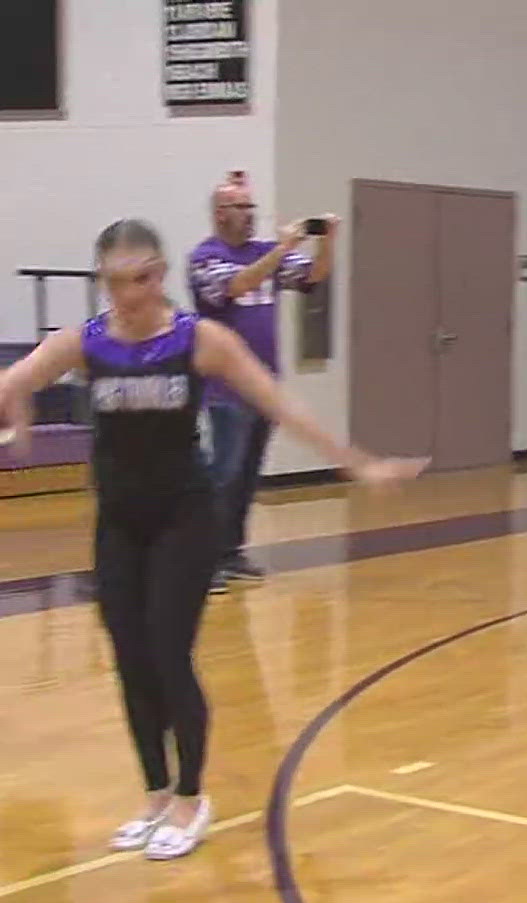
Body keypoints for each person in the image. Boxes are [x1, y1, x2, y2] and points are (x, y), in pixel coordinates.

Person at [0, 219, 423, 861]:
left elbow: (280, 405)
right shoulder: (84, 345)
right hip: (119, 521)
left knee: (170, 653)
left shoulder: (200, 340)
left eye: (142, 279)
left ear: (161, 275)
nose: (131, 295)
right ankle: (153, 795)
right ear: (105, 282)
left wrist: (358, 462)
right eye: (117, 283)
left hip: (182, 520)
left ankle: (192, 798)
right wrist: (21, 417)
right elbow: (13, 380)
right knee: (130, 659)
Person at [188, 169, 335, 591]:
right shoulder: (206, 257)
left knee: (247, 475)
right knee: (223, 474)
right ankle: (203, 560)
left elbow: (313, 276)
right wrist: (284, 247)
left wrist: (328, 240)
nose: (249, 215)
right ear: (219, 213)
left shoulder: (266, 252)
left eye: (252, 207)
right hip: (224, 390)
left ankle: (231, 552)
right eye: (240, 207)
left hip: (263, 387)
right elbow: (236, 285)